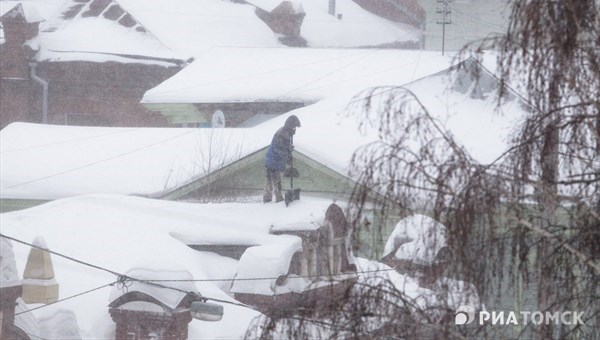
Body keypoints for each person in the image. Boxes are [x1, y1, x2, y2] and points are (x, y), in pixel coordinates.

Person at [263, 115, 301, 203]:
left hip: (273, 160)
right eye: (294, 127)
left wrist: (289, 156)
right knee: (276, 182)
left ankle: (267, 199)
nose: (295, 129)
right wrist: (288, 149)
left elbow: (283, 149)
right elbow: (279, 149)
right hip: (273, 161)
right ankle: (278, 200)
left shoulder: (287, 133)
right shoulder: (282, 134)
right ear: (290, 126)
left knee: (270, 181)